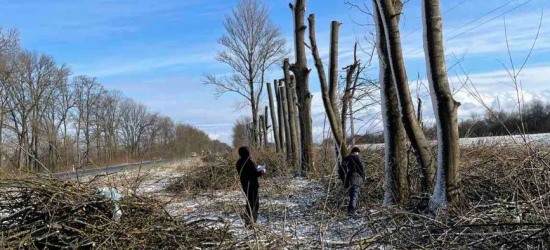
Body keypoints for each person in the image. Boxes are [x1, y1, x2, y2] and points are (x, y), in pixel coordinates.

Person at [236, 146, 266, 226]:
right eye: (248, 151)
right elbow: (253, 174)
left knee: (249, 203)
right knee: (254, 205)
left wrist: (256, 170)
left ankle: (248, 222)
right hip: (252, 186)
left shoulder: (239, 162)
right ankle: (251, 223)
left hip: (245, 186)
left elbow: (247, 173)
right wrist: (261, 171)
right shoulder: (248, 162)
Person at [338, 147, 366, 216]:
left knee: (352, 195)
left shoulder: (346, 159)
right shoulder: (358, 158)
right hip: (356, 178)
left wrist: (344, 179)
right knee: (354, 194)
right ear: (357, 152)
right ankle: (351, 211)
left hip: (348, 179)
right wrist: (363, 177)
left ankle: (353, 209)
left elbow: (340, 171)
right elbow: (362, 169)